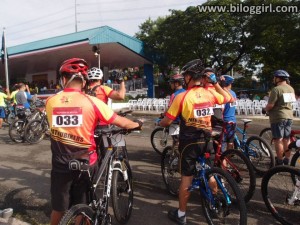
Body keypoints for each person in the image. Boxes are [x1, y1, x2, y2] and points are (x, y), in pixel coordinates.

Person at [45, 58, 142, 225]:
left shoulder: (50, 102)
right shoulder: (93, 102)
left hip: (60, 164)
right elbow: (120, 121)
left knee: (59, 208)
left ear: (63, 79)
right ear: (83, 81)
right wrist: (137, 124)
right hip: (85, 162)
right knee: (82, 206)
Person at [158, 59, 233, 225]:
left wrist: (159, 122)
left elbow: (167, 121)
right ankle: (214, 205)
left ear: (190, 77)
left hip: (190, 142)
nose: (184, 79)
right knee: (209, 171)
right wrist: (215, 83)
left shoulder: (182, 96)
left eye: (185, 76)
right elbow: (227, 98)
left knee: (187, 177)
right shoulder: (210, 93)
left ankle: (181, 214)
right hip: (207, 139)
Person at [264, 70, 295, 165]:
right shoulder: (291, 89)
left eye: (274, 77)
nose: (273, 79)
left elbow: (270, 105)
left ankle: (280, 161)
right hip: (289, 116)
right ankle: (287, 159)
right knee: (287, 139)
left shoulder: (276, 89)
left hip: (278, 117)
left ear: (278, 78)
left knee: (278, 139)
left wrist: (264, 109)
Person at [220, 75, 237, 150]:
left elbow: (222, 109)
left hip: (225, 121)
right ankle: (229, 157)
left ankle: (223, 159)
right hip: (233, 119)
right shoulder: (233, 93)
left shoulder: (223, 94)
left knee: (222, 141)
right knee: (230, 141)